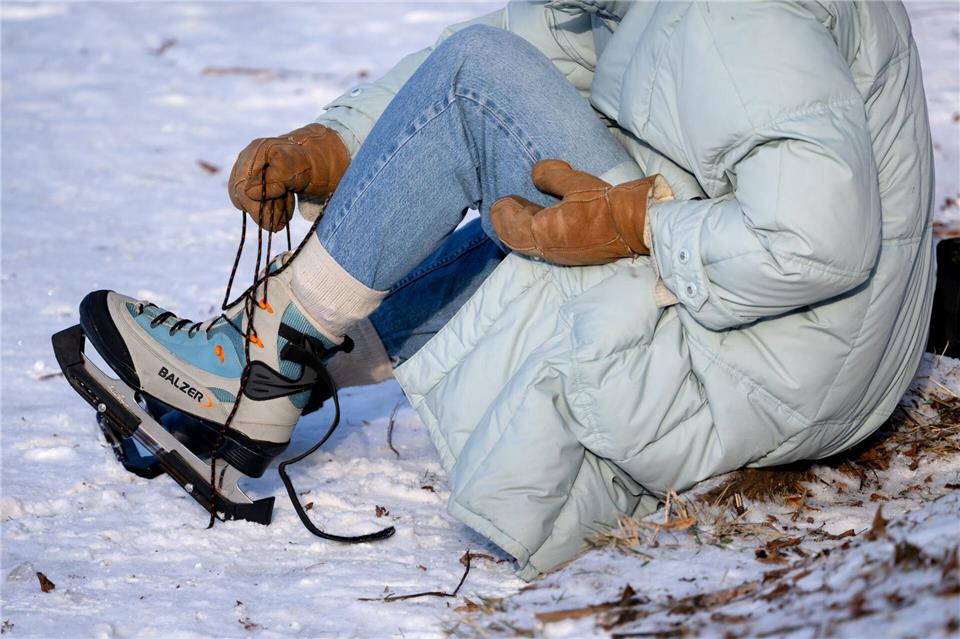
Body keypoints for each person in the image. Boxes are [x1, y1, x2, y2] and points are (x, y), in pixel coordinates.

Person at [80, 1, 935, 579]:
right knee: (499, 106)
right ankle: (275, 364)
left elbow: (817, 238)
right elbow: (537, 42)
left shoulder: (729, 16)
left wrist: (636, 224)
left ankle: (262, 368)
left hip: (773, 358)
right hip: (816, 357)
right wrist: (329, 147)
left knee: (480, 85)